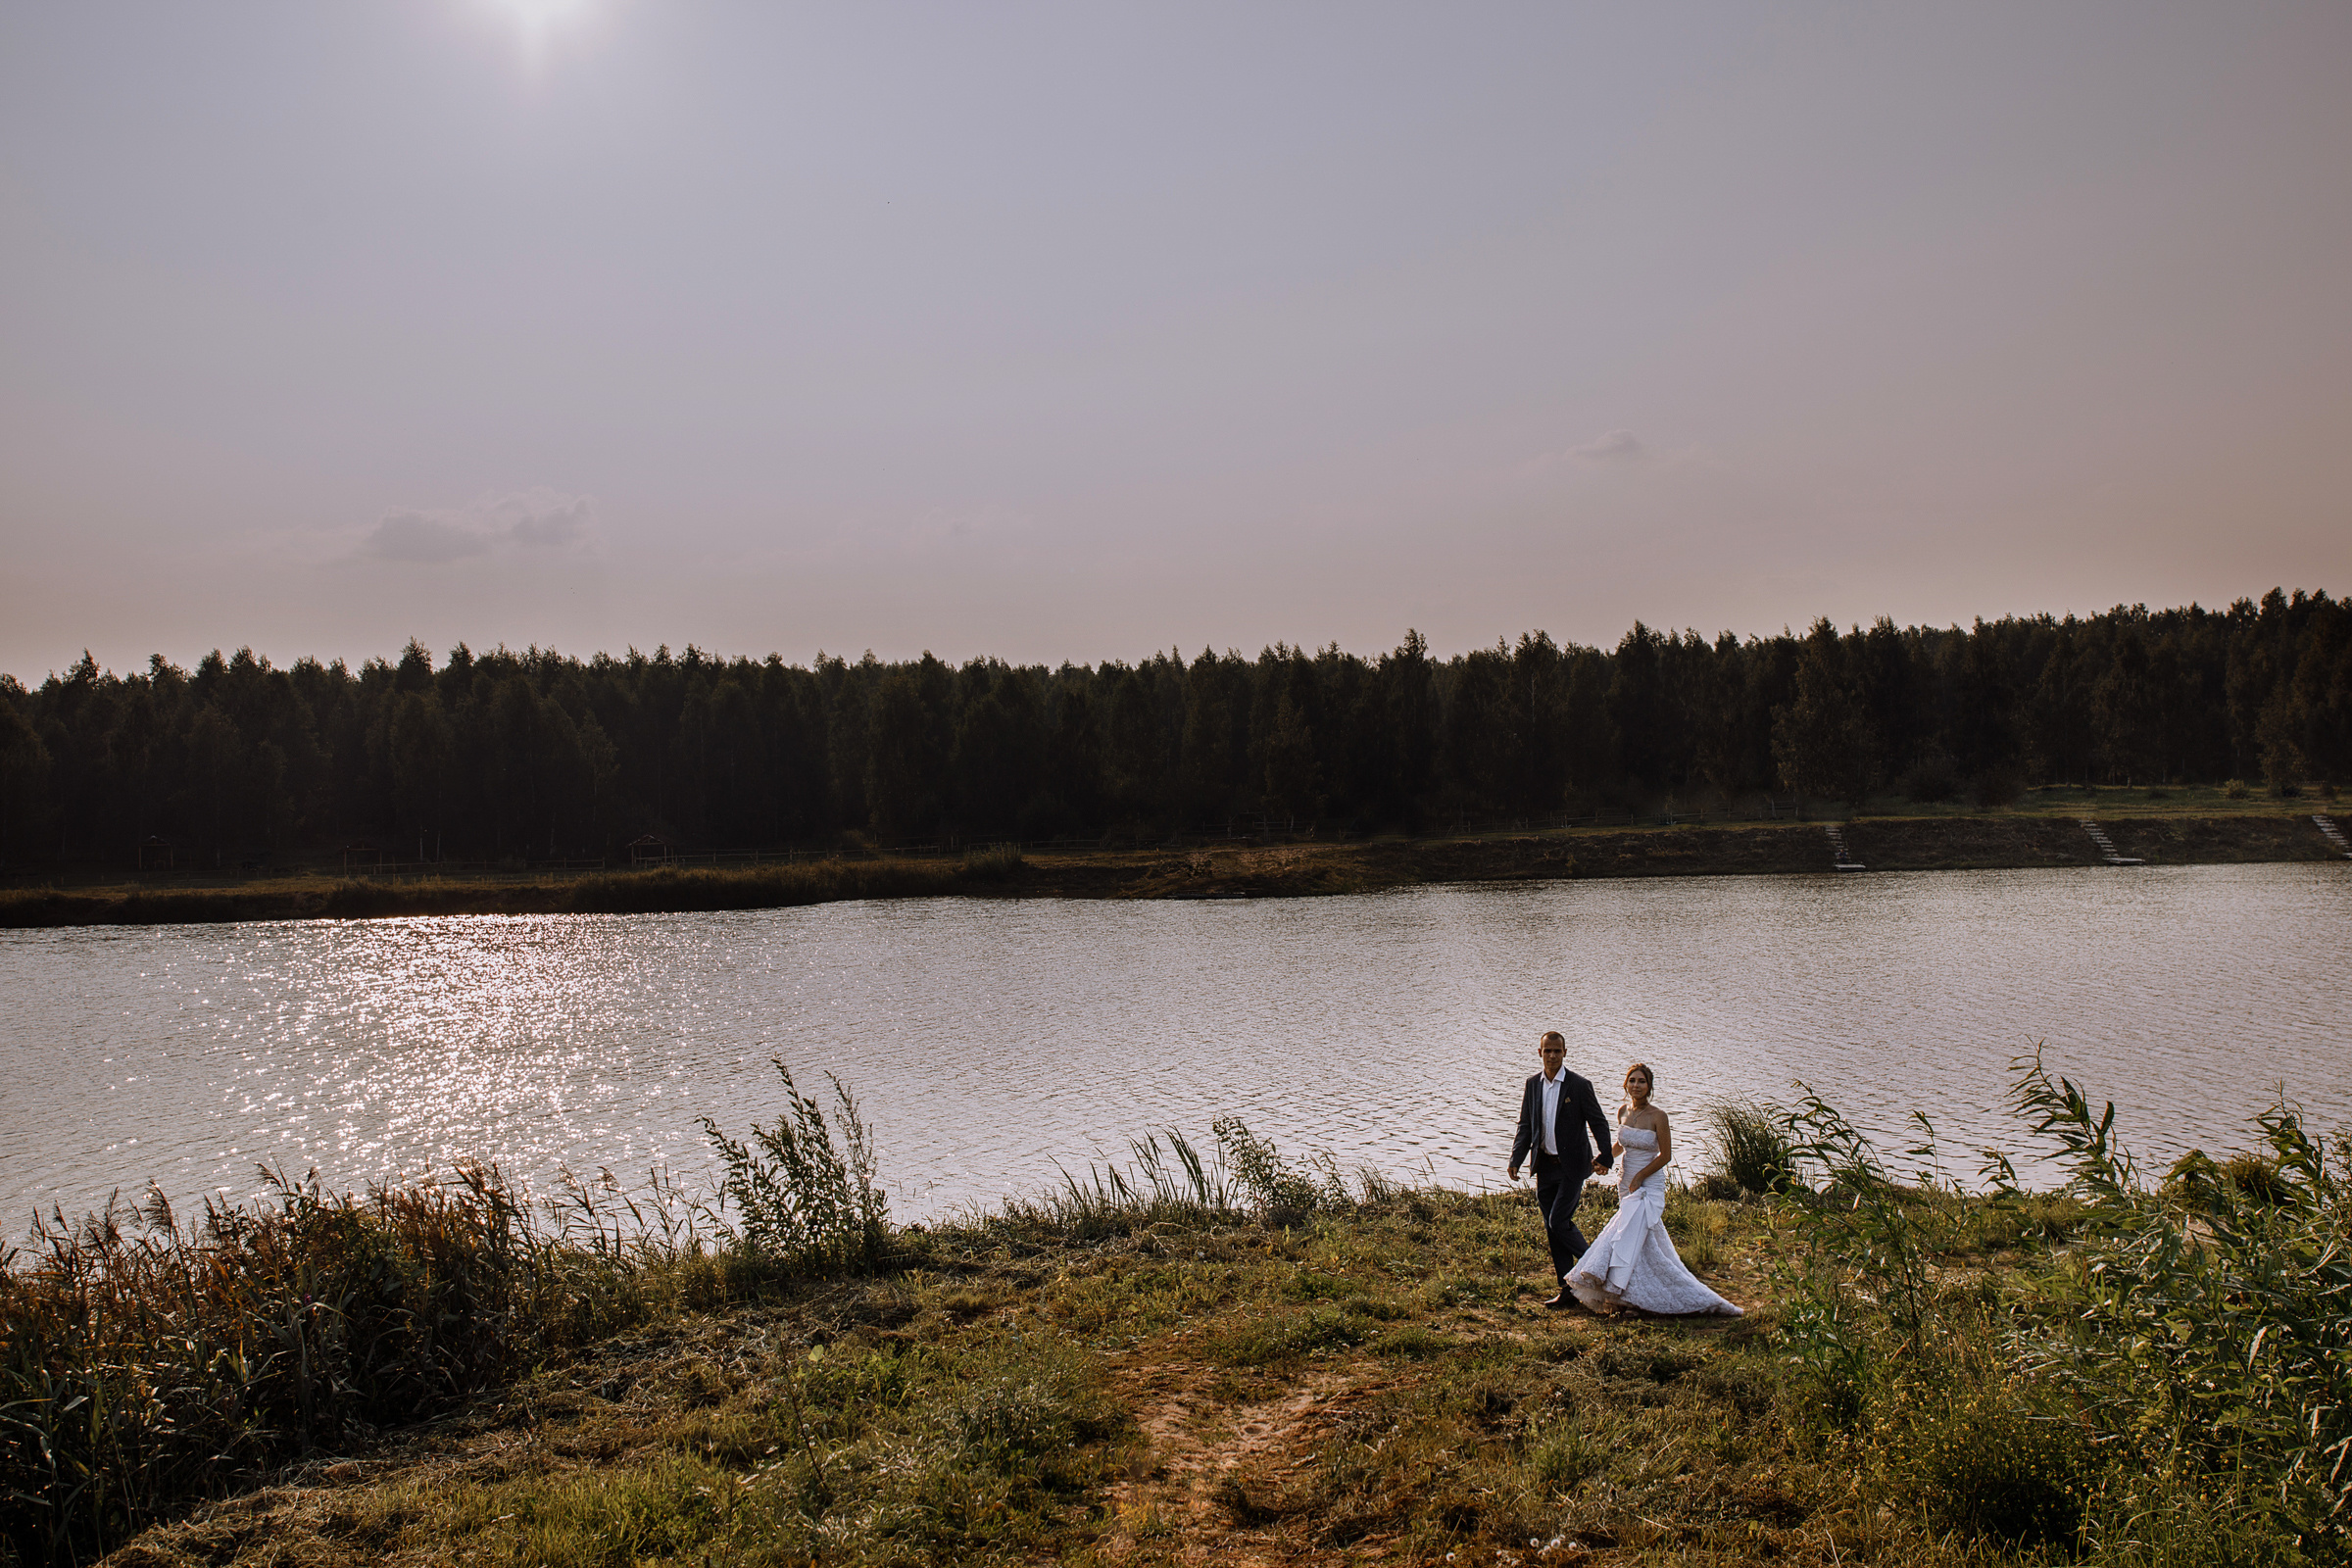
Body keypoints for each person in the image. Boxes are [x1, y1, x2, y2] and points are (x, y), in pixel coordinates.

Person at [1563, 1063, 1741, 1316]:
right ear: (1625, 1084)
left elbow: (1665, 1155)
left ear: (1650, 1086)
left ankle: (1621, 1290)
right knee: (1639, 1238)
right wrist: (1601, 1161)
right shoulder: (1623, 1111)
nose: (1636, 1085)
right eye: (1632, 1081)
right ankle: (1630, 1293)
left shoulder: (1659, 1116)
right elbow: (1621, 1144)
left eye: (1641, 1081)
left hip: (1648, 1183)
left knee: (1627, 1233)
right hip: (1625, 1182)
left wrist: (1641, 1176)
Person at [1506, 1031, 1613, 1309]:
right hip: (1545, 1166)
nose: (1552, 1055)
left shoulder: (1579, 1085)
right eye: (1547, 1051)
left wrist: (1606, 1156)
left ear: (1565, 1052)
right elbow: (1526, 1126)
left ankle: (1597, 1268)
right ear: (1539, 1053)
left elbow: (1598, 1122)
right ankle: (1567, 1290)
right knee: (1552, 1229)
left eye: (1557, 1051)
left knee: (1558, 1222)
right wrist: (1516, 1159)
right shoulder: (1532, 1085)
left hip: (1572, 1167)